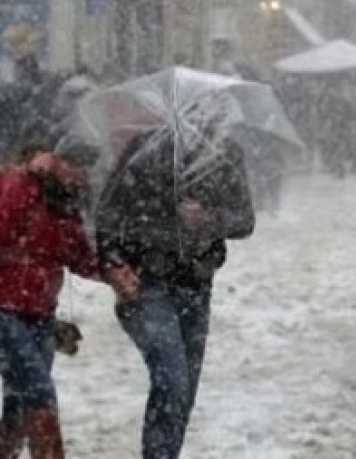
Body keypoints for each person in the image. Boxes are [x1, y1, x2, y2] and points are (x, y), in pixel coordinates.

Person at [94, 101, 255, 459]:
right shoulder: (145, 151)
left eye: (211, 115)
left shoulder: (226, 155)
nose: (202, 121)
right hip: (149, 281)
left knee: (184, 391)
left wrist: (207, 218)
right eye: (194, 113)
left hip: (197, 284)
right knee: (172, 380)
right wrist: (114, 262)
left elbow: (244, 220)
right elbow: (108, 213)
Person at [0, 150, 110, 459]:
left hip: (39, 312)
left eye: (86, 169)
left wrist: (115, 271)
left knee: (20, 399)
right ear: (52, 160)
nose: (80, 175)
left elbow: (78, 255)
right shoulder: (16, 187)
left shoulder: (66, 204)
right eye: (74, 165)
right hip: (5, 308)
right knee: (39, 392)